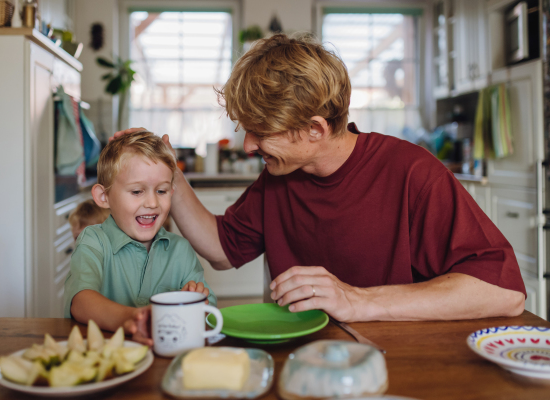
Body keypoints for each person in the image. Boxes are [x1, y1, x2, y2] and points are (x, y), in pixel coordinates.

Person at [115, 34, 525, 323]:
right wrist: (170, 174)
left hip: (394, 360)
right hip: (303, 356)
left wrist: (359, 301)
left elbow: (503, 293)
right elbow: (223, 249)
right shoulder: (280, 175)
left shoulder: (413, 173)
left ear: (315, 129)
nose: (248, 146)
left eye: (260, 131)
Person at [64, 131, 216, 346]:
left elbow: (210, 314)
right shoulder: (93, 241)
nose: (152, 203)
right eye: (137, 191)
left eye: (161, 191)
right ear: (103, 197)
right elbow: (81, 301)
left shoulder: (180, 250)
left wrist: (196, 302)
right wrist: (133, 319)